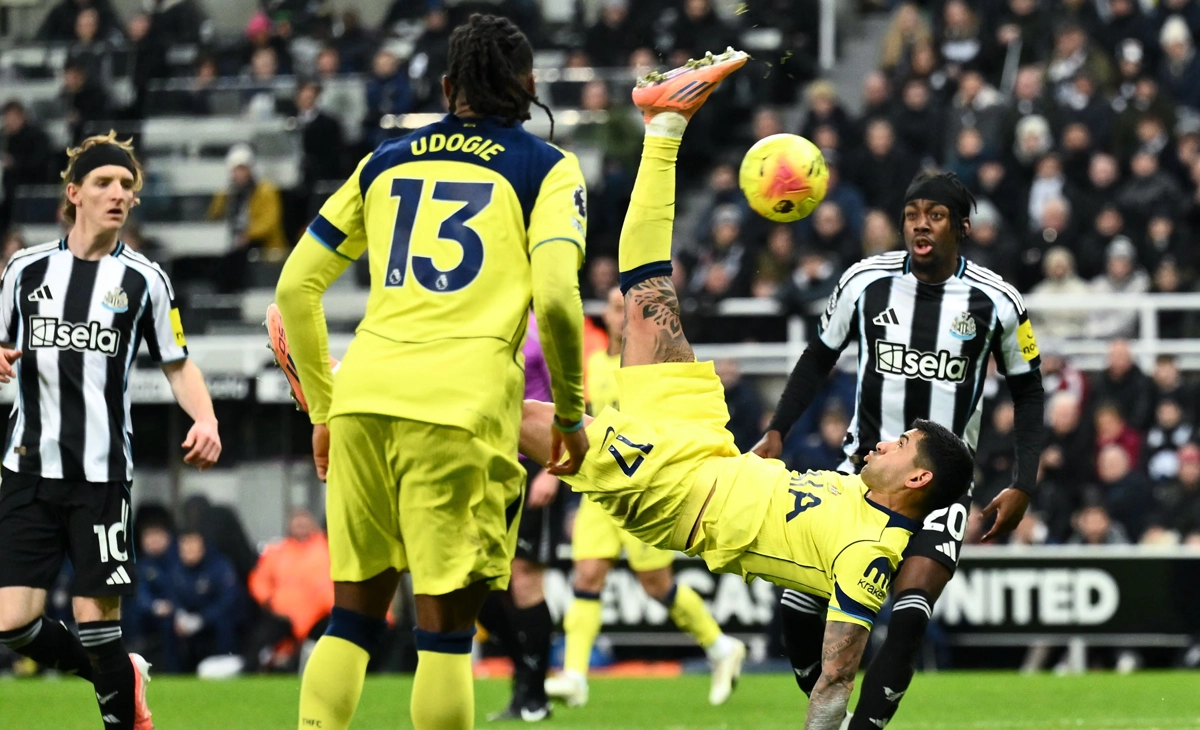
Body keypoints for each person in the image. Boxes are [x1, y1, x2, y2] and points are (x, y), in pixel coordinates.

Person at [514, 49, 976, 729]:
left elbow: (835, 678)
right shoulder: (854, 489)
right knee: (647, 296)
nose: (885, 439)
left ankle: (359, 395)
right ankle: (665, 123)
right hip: (712, 451)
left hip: (674, 493)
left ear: (914, 481)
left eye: (903, 443)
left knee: (529, 416)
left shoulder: (870, 554)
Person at [271, 14, 589, 730]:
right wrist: (568, 414)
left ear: (448, 88)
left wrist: (324, 410)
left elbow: (294, 291)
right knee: (444, 633)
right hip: (460, 412)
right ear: (529, 86)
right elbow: (562, 305)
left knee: (351, 619)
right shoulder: (544, 167)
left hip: (364, 398)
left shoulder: (384, 161)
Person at [752, 170, 1045, 729]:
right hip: (859, 477)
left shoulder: (997, 300)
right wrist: (778, 429)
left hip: (943, 491)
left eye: (934, 215)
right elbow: (819, 356)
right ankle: (827, 708)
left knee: (910, 613)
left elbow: (1028, 391)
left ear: (961, 227)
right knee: (797, 607)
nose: (920, 225)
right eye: (912, 214)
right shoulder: (865, 281)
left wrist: (1023, 481)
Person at [0, 132, 222, 730]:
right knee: (11, 623)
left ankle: (125, 712)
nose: (118, 194)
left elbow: (178, 361)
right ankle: (126, 672)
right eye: (104, 183)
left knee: (98, 625)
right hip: (26, 466)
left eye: (127, 185)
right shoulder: (24, 270)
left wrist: (206, 417)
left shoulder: (145, 279)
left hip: (100, 475)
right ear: (74, 194)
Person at [546, 287, 746, 710]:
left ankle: (719, 646)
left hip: (642, 490)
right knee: (586, 577)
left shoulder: (650, 367)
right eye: (615, 309)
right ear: (607, 316)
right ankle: (575, 675)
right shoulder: (594, 364)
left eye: (626, 309)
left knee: (657, 586)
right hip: (601, 489)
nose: (620, 316)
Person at [478, 313, 560, 721]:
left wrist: (554, 466)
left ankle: (535, 693)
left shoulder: (540, 323)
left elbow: (569, 396)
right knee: (478, 584)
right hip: (484, 465)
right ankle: (524, 677)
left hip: (533, 464)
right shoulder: (474, 313)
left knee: (524, 577)